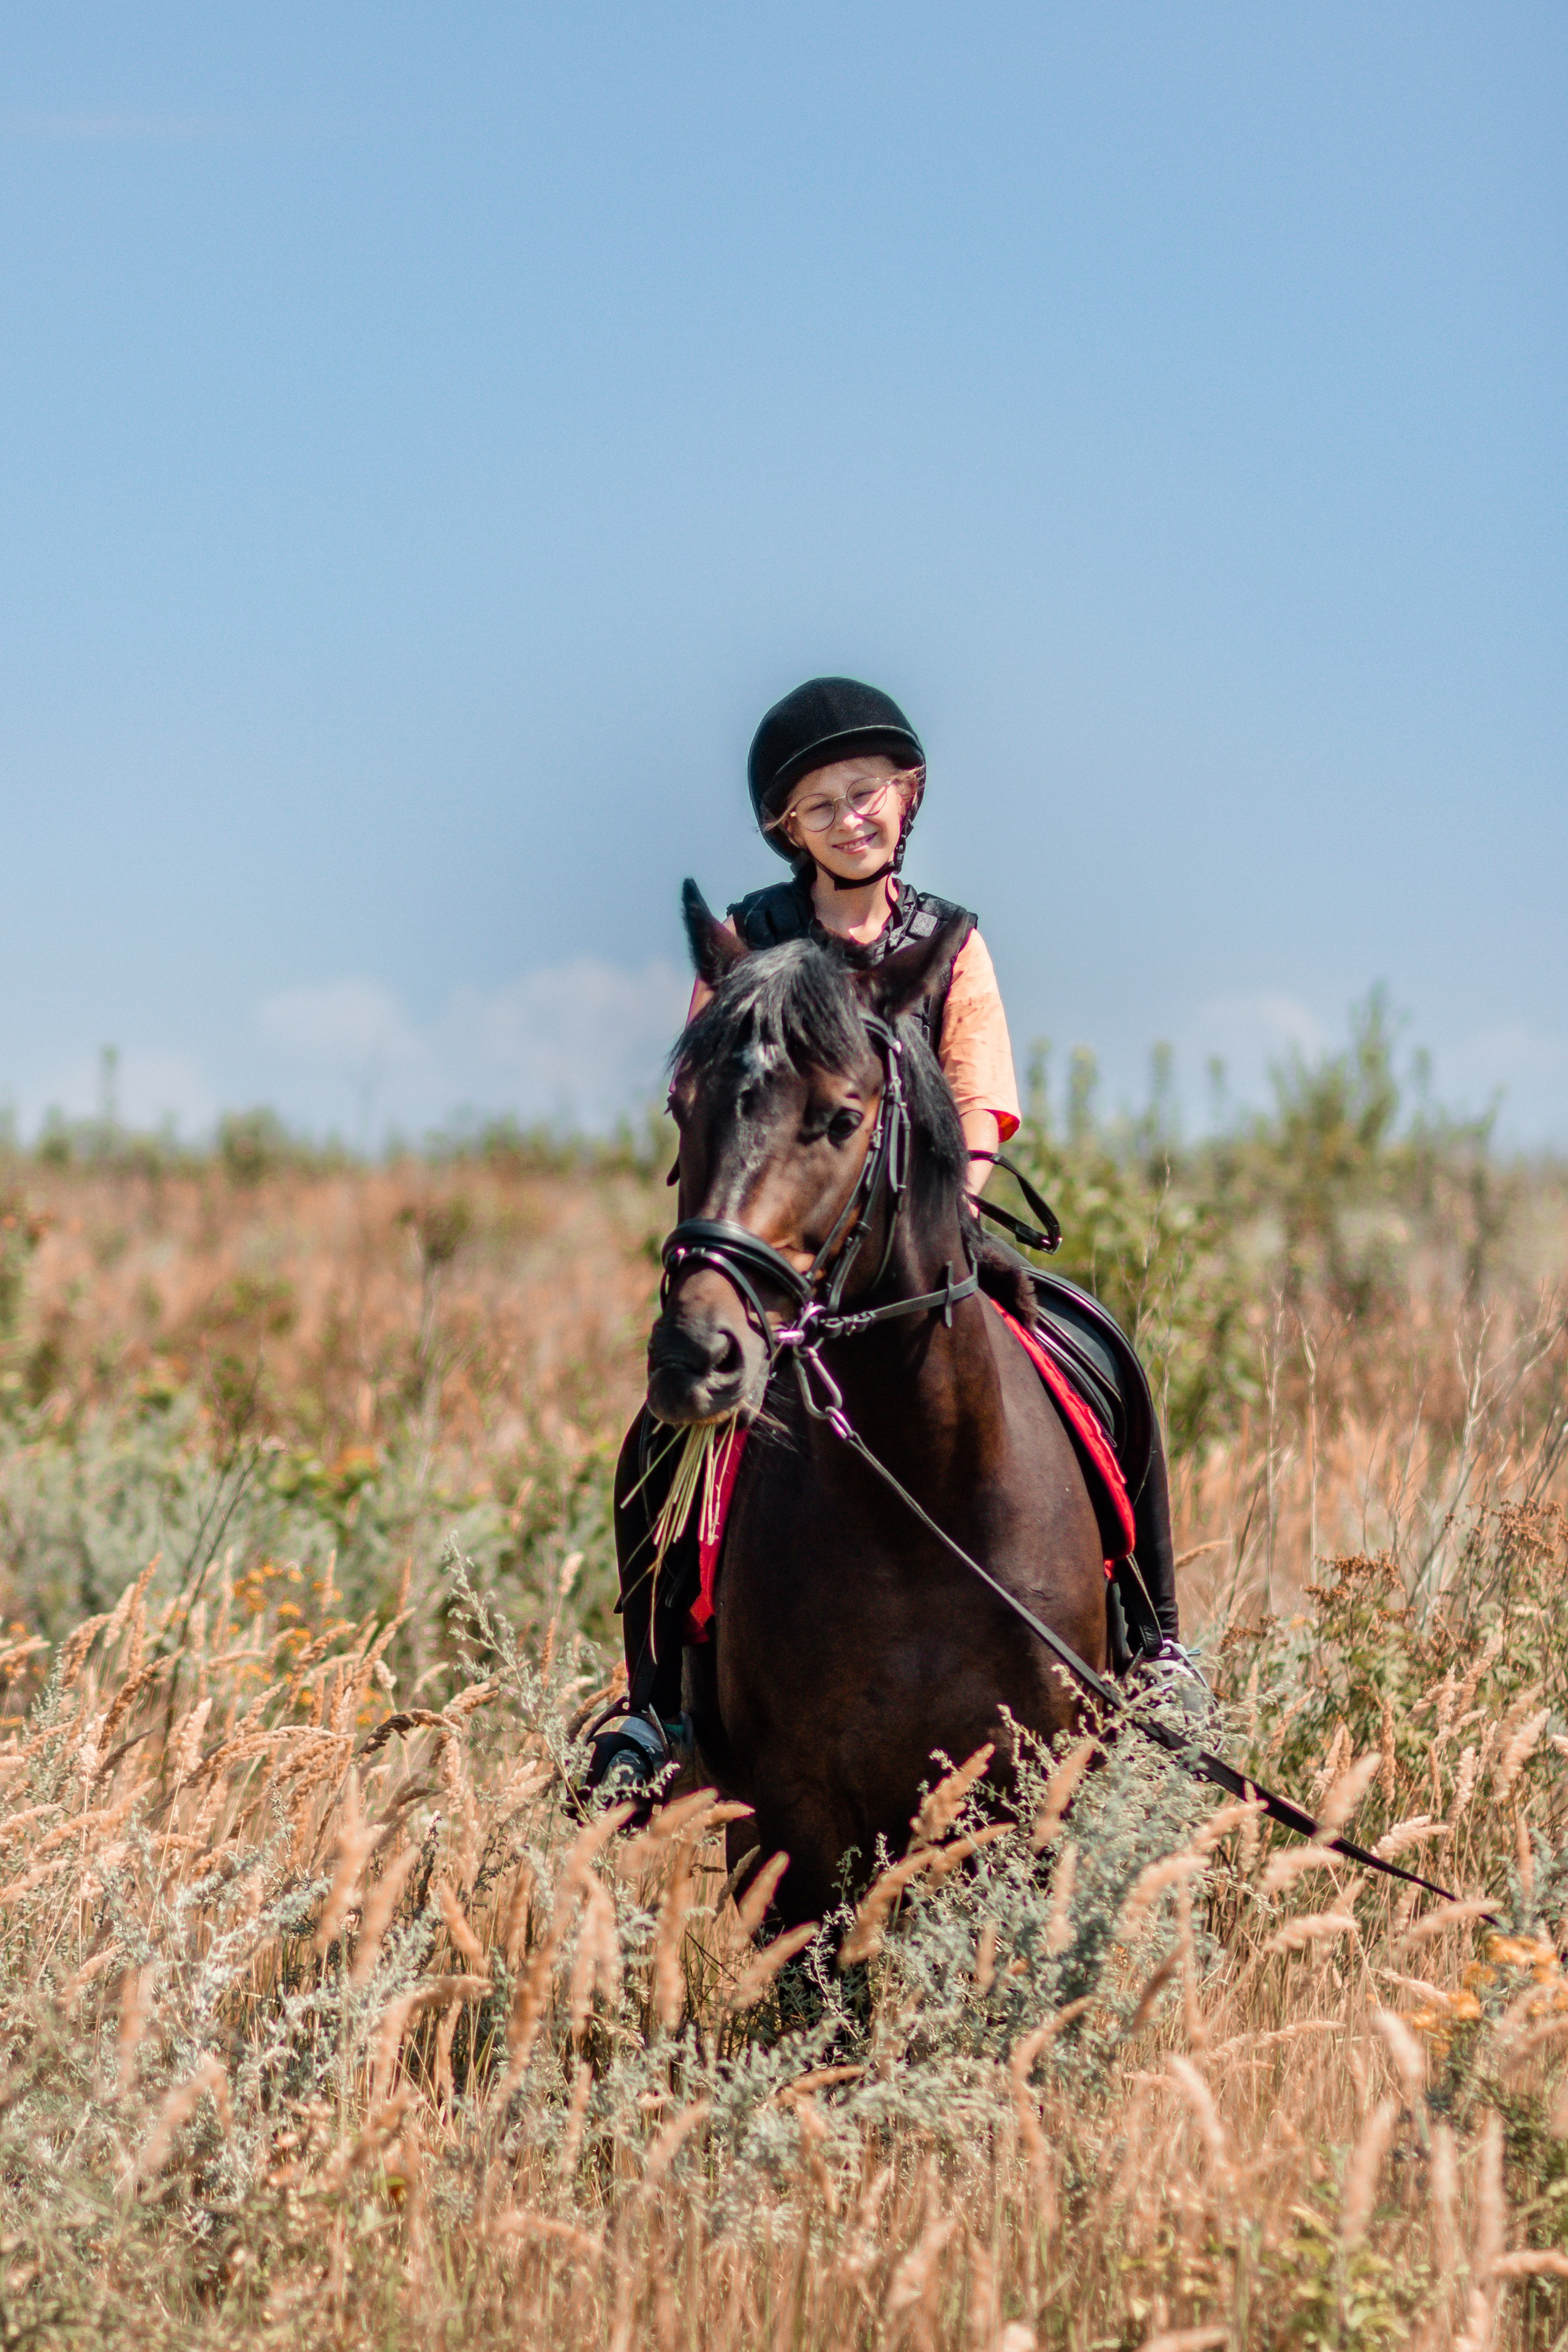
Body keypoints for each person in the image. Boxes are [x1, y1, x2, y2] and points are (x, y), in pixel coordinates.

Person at [585, 677, 1199, 1801]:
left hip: (924, 1242)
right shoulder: (749, 945)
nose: (846, 821)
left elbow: (982, 1097)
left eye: (863, 795)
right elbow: (712, 1086)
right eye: (818, 808)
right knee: (660, 1440)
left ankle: (1157, 1654)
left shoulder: (951, 942)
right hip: (790, 1262)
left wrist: (952, 1201)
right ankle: (656, 1707)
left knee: (1104, 1354)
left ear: (904, 797)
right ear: (787, 829)